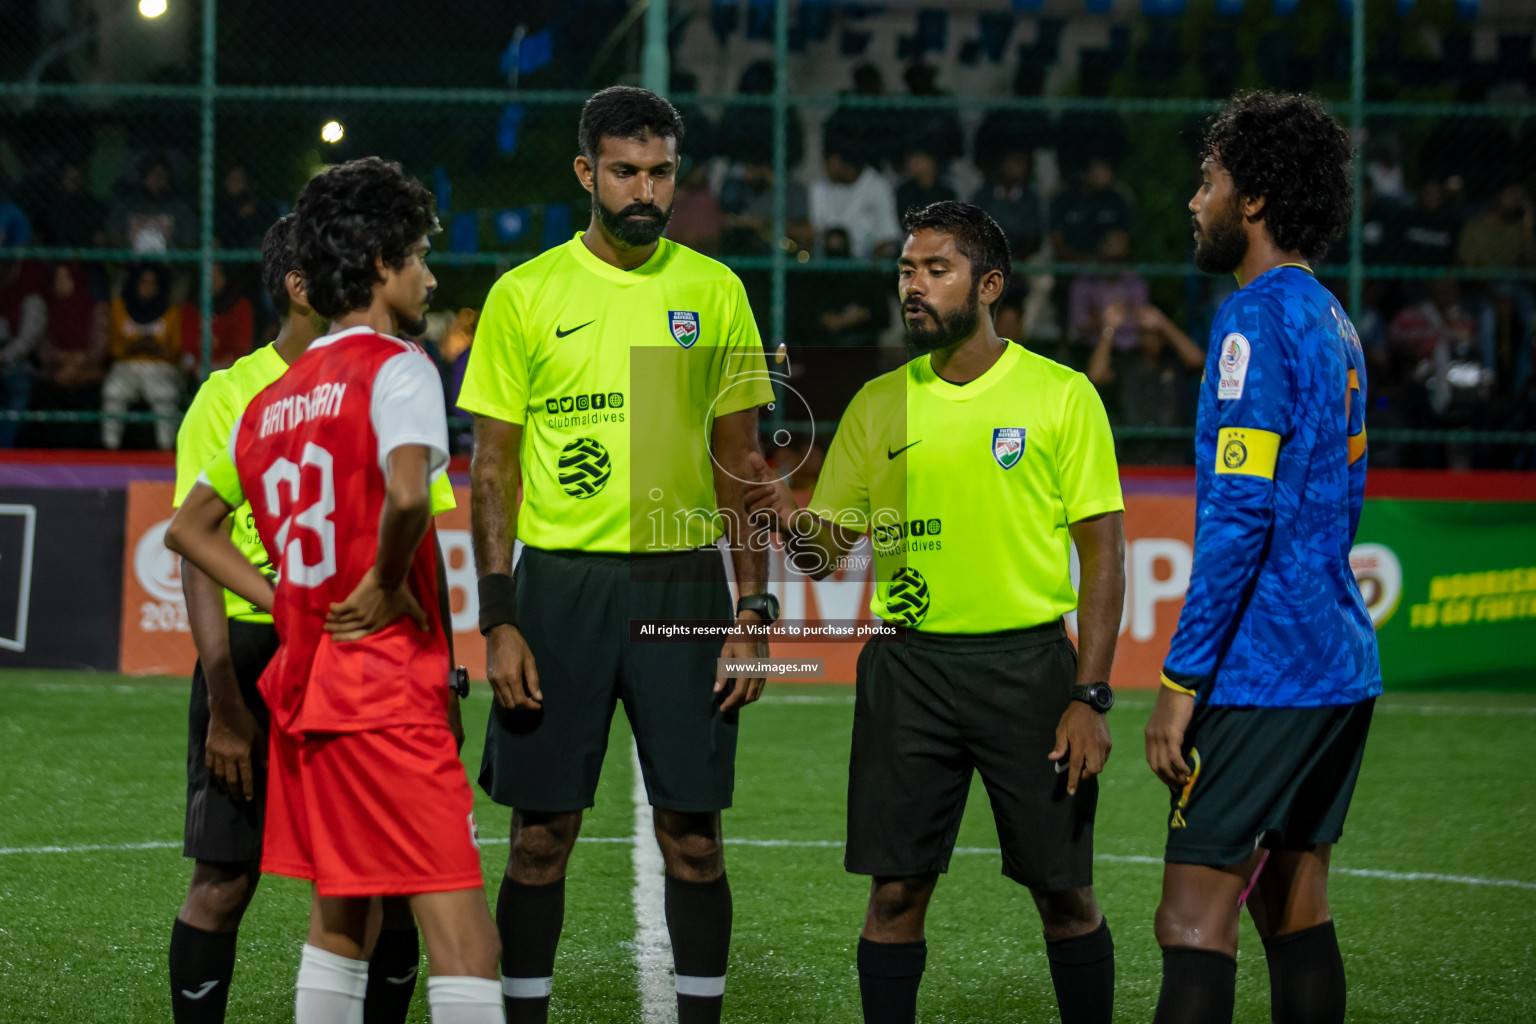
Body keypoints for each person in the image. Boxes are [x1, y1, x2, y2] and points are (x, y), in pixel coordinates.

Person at [744, 200, 1125, 1024]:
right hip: (907, 670)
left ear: (989, 285)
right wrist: (779, 508)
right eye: (906, 271)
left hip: (1030, 671)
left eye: (935, 270)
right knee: (894, 895)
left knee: (1065, 895)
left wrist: (1090, 696)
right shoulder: (879, 402)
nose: (913, 287)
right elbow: (825, 554)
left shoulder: (1061, 397)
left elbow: (1105, 556)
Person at [456, 85, 775, 1024]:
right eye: (626, 171)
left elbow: (743, 466)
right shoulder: (525, 295)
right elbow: (492, 472)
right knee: (540, 840)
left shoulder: (713, 291)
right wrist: (502, 615)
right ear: (587, 173)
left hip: (684, 581)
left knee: (695, 841)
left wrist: (753, 613)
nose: (645, 189)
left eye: (662, 171)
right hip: (561, 588)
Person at [167, 157, 503, 1024]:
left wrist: (286, 600)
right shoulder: (400, 369)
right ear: (383, 265)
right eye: (422, 255)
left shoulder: (272, 399)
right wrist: (386, 583)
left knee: (340, 919)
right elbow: (405, 495)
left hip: (311, 688)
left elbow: (188, 529)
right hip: (388, 687)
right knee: (465, 940)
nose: (432, 275)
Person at [1145, 91, 1381, 1024]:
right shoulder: (1333, 319)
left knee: (1191, 919)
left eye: (1207, 181)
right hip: (1340, 665)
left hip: (1266, 673)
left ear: (1252, 199)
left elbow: (1240, 516)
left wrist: (1180, 678)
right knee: (1295, 905)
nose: (1193, 201)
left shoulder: (1251, 322)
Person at [103, 262, 183, 450]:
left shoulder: (170, 309)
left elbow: (176, 350)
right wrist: (136, 346)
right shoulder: (119, 307)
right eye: (143, 282)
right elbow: (114, 349)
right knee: (113, 392)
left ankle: (165, 451)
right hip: (126, 366)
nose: (147, 287)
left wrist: (155, 348)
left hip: (159, 367)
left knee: (164, 395)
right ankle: (110, 449)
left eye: (152, 283)